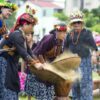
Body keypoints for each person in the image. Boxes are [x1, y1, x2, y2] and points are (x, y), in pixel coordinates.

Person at [0, 13, 43, 100]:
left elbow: (29, 52)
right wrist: (35, 64)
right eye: (32, 26)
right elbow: (24, 53)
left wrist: (39, 62)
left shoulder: (21, 35)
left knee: (13, 86)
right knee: (8, 88)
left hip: (10, 63)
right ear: (24, 24)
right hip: (4, 64)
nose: (32, 29)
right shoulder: (17, 35)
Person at [65, 10, 98, 100]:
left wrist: (94, 56)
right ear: (71, 24)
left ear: (82, 23)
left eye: (79, 22)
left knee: (85, 85)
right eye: (74, 22)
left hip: (85, 61)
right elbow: (65, 50)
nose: (77, 24)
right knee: (75, 85)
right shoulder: (69, 34)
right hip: (73, 62)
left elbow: (94, 47)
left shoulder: (87, 32)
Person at [31, 23, 67, 100]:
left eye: (65, 32)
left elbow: (59, 56)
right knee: (42, 93)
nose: (64, 34)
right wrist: (45, 65)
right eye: (62, 32)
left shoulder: (61, 41)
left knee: (50, 93)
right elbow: (38, 53)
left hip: (50, 67)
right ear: (57, 32)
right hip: (39, 64)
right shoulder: (49, 38)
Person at [25, 32, 38, 100]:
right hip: (27, 71)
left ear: (32, 36)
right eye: (25, 35)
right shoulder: (24, 46)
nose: (26, 37)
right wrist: (22, 72)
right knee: (28, 92)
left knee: (35, 92)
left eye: (28, 35)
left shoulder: (36, 45)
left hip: (35, 72)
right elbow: (23, 60)